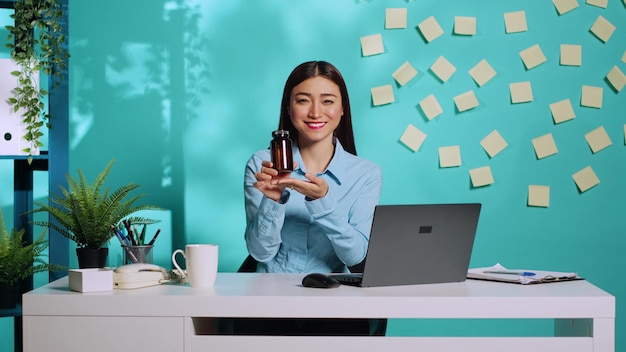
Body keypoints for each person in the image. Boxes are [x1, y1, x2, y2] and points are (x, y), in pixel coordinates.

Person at [236, 60, 385, 335]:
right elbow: (260, 253)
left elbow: (355, 257)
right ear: (289, 108)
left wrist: (322, 203)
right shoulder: (262, 164)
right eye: (303, 100)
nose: (316, 112)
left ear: (342, 110)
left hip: (335, 305)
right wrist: (274, 199)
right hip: (268, 302)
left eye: (327, 101)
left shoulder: (366, 174)